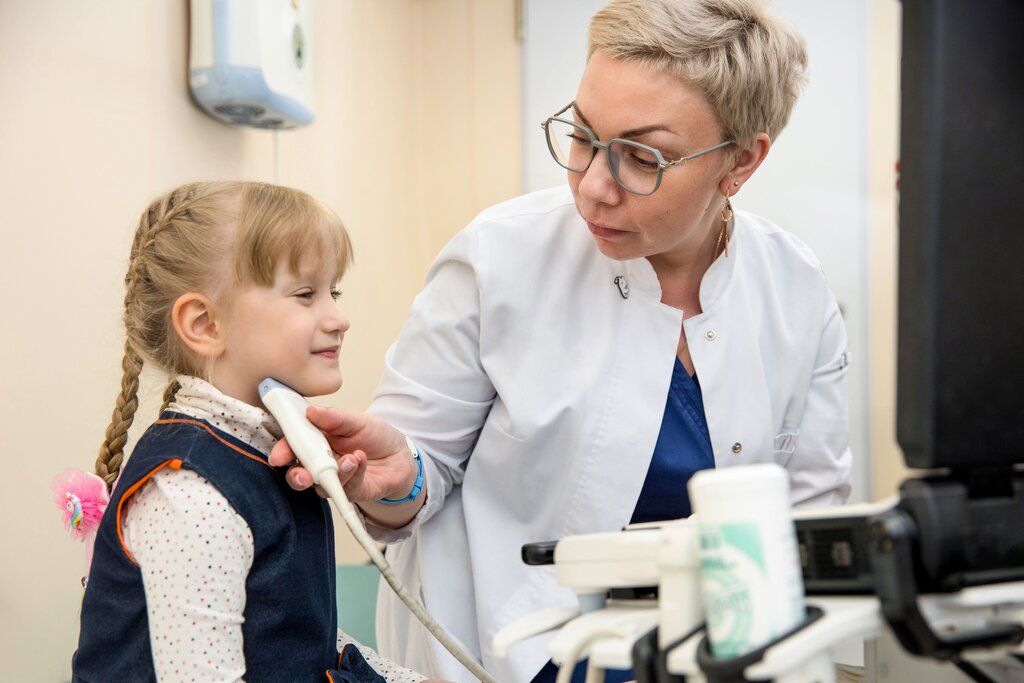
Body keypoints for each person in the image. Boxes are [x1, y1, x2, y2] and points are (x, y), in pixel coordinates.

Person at [272, 1, 852, 681]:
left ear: (742, 162)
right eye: (582, 135)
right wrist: (397, 477)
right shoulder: (498, 258)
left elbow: (812, 520)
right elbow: (410, 485)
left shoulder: (797, 290)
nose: (594, 187)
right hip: (505, 654)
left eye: (643, 157)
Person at [70, 181, 438, 683]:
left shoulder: (261, 453)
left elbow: (297, 639)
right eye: (306, 294)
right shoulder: (190, 495)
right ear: (204, 323)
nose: (339, 317)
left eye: (335, 291)